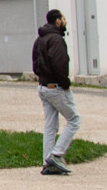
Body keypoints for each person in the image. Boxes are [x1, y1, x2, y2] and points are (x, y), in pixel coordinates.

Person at [32, 9, 79, 175]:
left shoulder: (40, 39)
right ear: (58, 21)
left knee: (50, 126)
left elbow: (35, 65)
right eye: (63, 19)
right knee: (74, 119)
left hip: (43, 87)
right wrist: (65, 83)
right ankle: (57, 155)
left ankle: (47, 163)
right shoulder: (57, 40)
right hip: (55, 88)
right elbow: (59, 64)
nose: (65, 21)